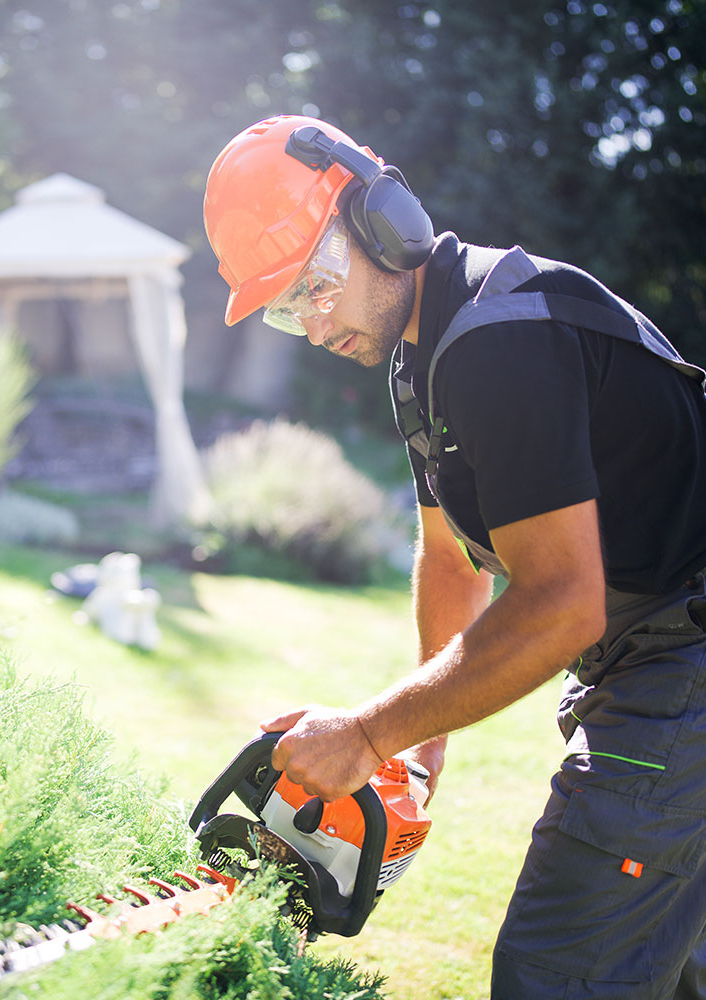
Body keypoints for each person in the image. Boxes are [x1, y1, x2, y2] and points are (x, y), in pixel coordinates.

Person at [202, 114, 706, 999]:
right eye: (288, 311)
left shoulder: (495, 341)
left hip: (685, 655)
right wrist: (422, 743)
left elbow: (559, 604)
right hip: (656, 651)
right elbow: (450, 560)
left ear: (383, 222)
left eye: (315, 287)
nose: (315, 329)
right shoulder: (423, 359)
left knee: (558, 971)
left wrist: (366, 735)